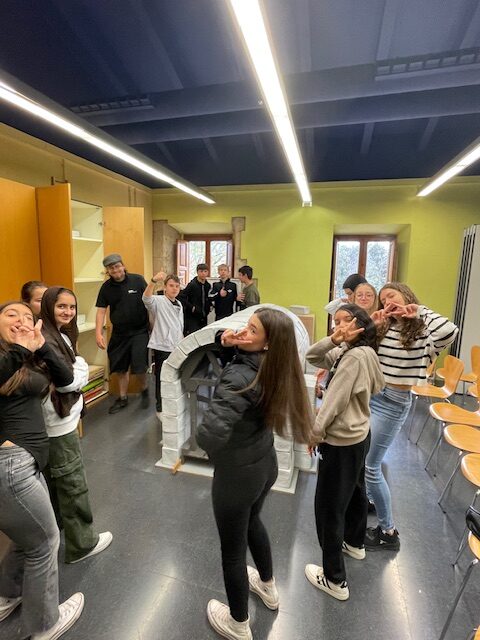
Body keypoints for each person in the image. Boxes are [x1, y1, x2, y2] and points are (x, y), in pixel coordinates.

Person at [197, 308, 313, 640]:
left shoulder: (239, 377)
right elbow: (241, 363)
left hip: (237, 475)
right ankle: (268, 586)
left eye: (252, 331)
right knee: (252, 523)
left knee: (232, 551)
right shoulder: (277, 365)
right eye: (245, 326)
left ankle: (238, 624)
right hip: (264, 464)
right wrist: (226, 342)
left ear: (267, 343)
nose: (242, 333)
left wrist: (219, 455)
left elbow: (208, 435)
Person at [0, 301, 84, 639]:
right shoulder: (8, 357)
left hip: (22, 464)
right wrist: (21, 348)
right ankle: (45, 625)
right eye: (11, 315)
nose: (21, 320)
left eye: (27, 316)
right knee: (45, 541)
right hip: (11, 466)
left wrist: (41, 345)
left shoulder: (25, 355)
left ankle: (7, 595)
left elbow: (66, 380)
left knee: (27, 535)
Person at [364, 282, 458, 551]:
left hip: (393, 403)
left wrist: (417, 311)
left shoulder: (425, 331)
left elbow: (450, 330)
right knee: (363, 456)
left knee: (371, 466)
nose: (387, 302)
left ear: (405, 296)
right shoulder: (385, 327)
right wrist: (373, 324)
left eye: (391, 296)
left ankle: (388, 532)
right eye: (383, 300)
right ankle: (370, 499)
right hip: (372, 395)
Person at [305, 305, 384, 601]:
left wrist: (315, 433)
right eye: (335, 322)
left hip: (340, 442)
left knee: (329, 508)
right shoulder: (359, 351)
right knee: (355, 492)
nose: (338, 326)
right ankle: (354, 542)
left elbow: (332, 403)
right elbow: (312, 356)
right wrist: (334, 339)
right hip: (360, 434)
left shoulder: (352, 359)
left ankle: (334, 579)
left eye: (345, 321)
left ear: (360, 324)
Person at [40, 287, 113, 563]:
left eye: (72, 307)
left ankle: (60, 528)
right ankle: (82, 544)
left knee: (55, 482)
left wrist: (77, 369)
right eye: (61, 306)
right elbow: (68, 381)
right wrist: (80, 370)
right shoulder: (46, 338)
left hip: (57, 421)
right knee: (72, 483)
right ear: (48, 306)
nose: (68, 312)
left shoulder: (57, 334)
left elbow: (72, 371)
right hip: (58, 425)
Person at [95, 254, 150, 414]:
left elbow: (149, 302)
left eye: (117, 266)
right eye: (111, 268)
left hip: (140, 331)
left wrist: (154, 326)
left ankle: (144, 389)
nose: (115, 270)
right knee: (120, 367)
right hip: (119, 333)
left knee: (139, 366)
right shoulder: (106, 288)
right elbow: (101, 311)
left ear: (123, 266)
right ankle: (123, 398)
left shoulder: (138, 280)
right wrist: (98, 333)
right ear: (108, 271)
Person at [142, 272, 184, 412]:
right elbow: (146, 298)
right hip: (163, 346)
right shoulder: (158, 301)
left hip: (176, 345)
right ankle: (160, 406)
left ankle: (171, 401)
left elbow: (179, 325)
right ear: (165, 287)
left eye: (177, 286)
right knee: (162, 376)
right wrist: (153, 280)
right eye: (171, 285)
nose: (174, 288)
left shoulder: (179, 304)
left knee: (174, 376)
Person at [179, 263, 211, 335]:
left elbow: (207, 298)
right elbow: (182, 297)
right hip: (193, 317)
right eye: (201, 271)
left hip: (204, 316)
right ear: (197, 272)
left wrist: (209, 306)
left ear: (208, 272)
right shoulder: (192, 285)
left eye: (205, 271)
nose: (203, 273)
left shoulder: (208, 285)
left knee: (202, 336)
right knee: (192, 336)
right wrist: (191, 307)